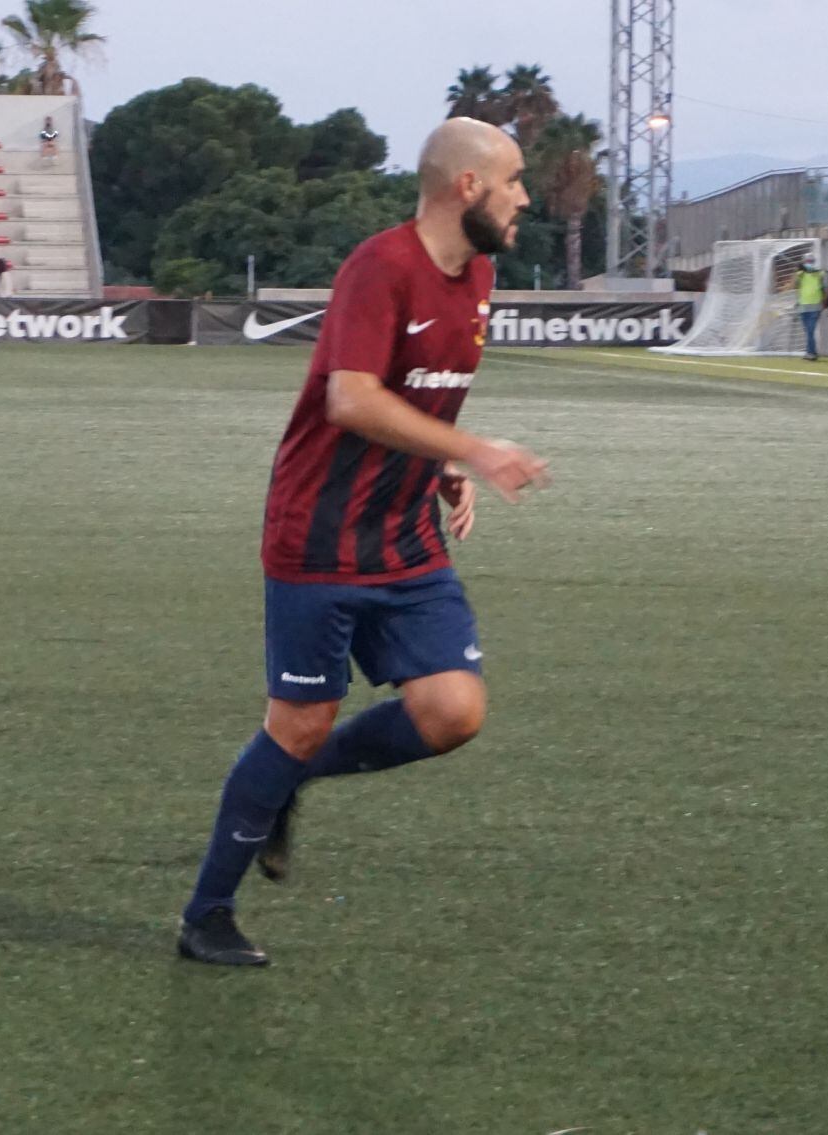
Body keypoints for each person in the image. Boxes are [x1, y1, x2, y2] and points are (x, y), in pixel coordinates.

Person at [177, 117, 546, 967]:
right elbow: (349, 398)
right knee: (299, 723)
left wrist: (443, 466)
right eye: (514, 180)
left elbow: (424, 395)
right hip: (319, 534)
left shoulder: (481, 274)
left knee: (454, 712)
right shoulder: (380, 268)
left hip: (406, 534)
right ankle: (207, 916)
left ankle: (288, 783)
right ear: (467, 187)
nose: (524, 196)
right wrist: (475, 452)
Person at [794, 253, 828, 361]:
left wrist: (824, 301)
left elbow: (824, 287)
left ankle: (811, 353)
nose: (809, 263)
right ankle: (811, 352)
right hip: (803, 306)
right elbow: (796, 284)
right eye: (807, 262)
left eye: (810, 261)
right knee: (808, 331)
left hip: (815, 306)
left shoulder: (819, 273)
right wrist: (800, 270)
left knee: (810, 330)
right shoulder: (800, 274)